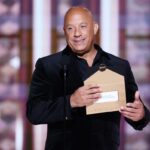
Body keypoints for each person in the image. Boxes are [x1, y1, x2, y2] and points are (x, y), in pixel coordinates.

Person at [26, 6, 150, 150]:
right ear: (64, 32)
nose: (77, 33)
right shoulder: (48, 66)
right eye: (70, 28)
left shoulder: (119, 66)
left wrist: (141, 115)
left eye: (83, 26)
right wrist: (71, 101)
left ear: (95, 28)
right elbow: (34, 112)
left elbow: (134, 110)